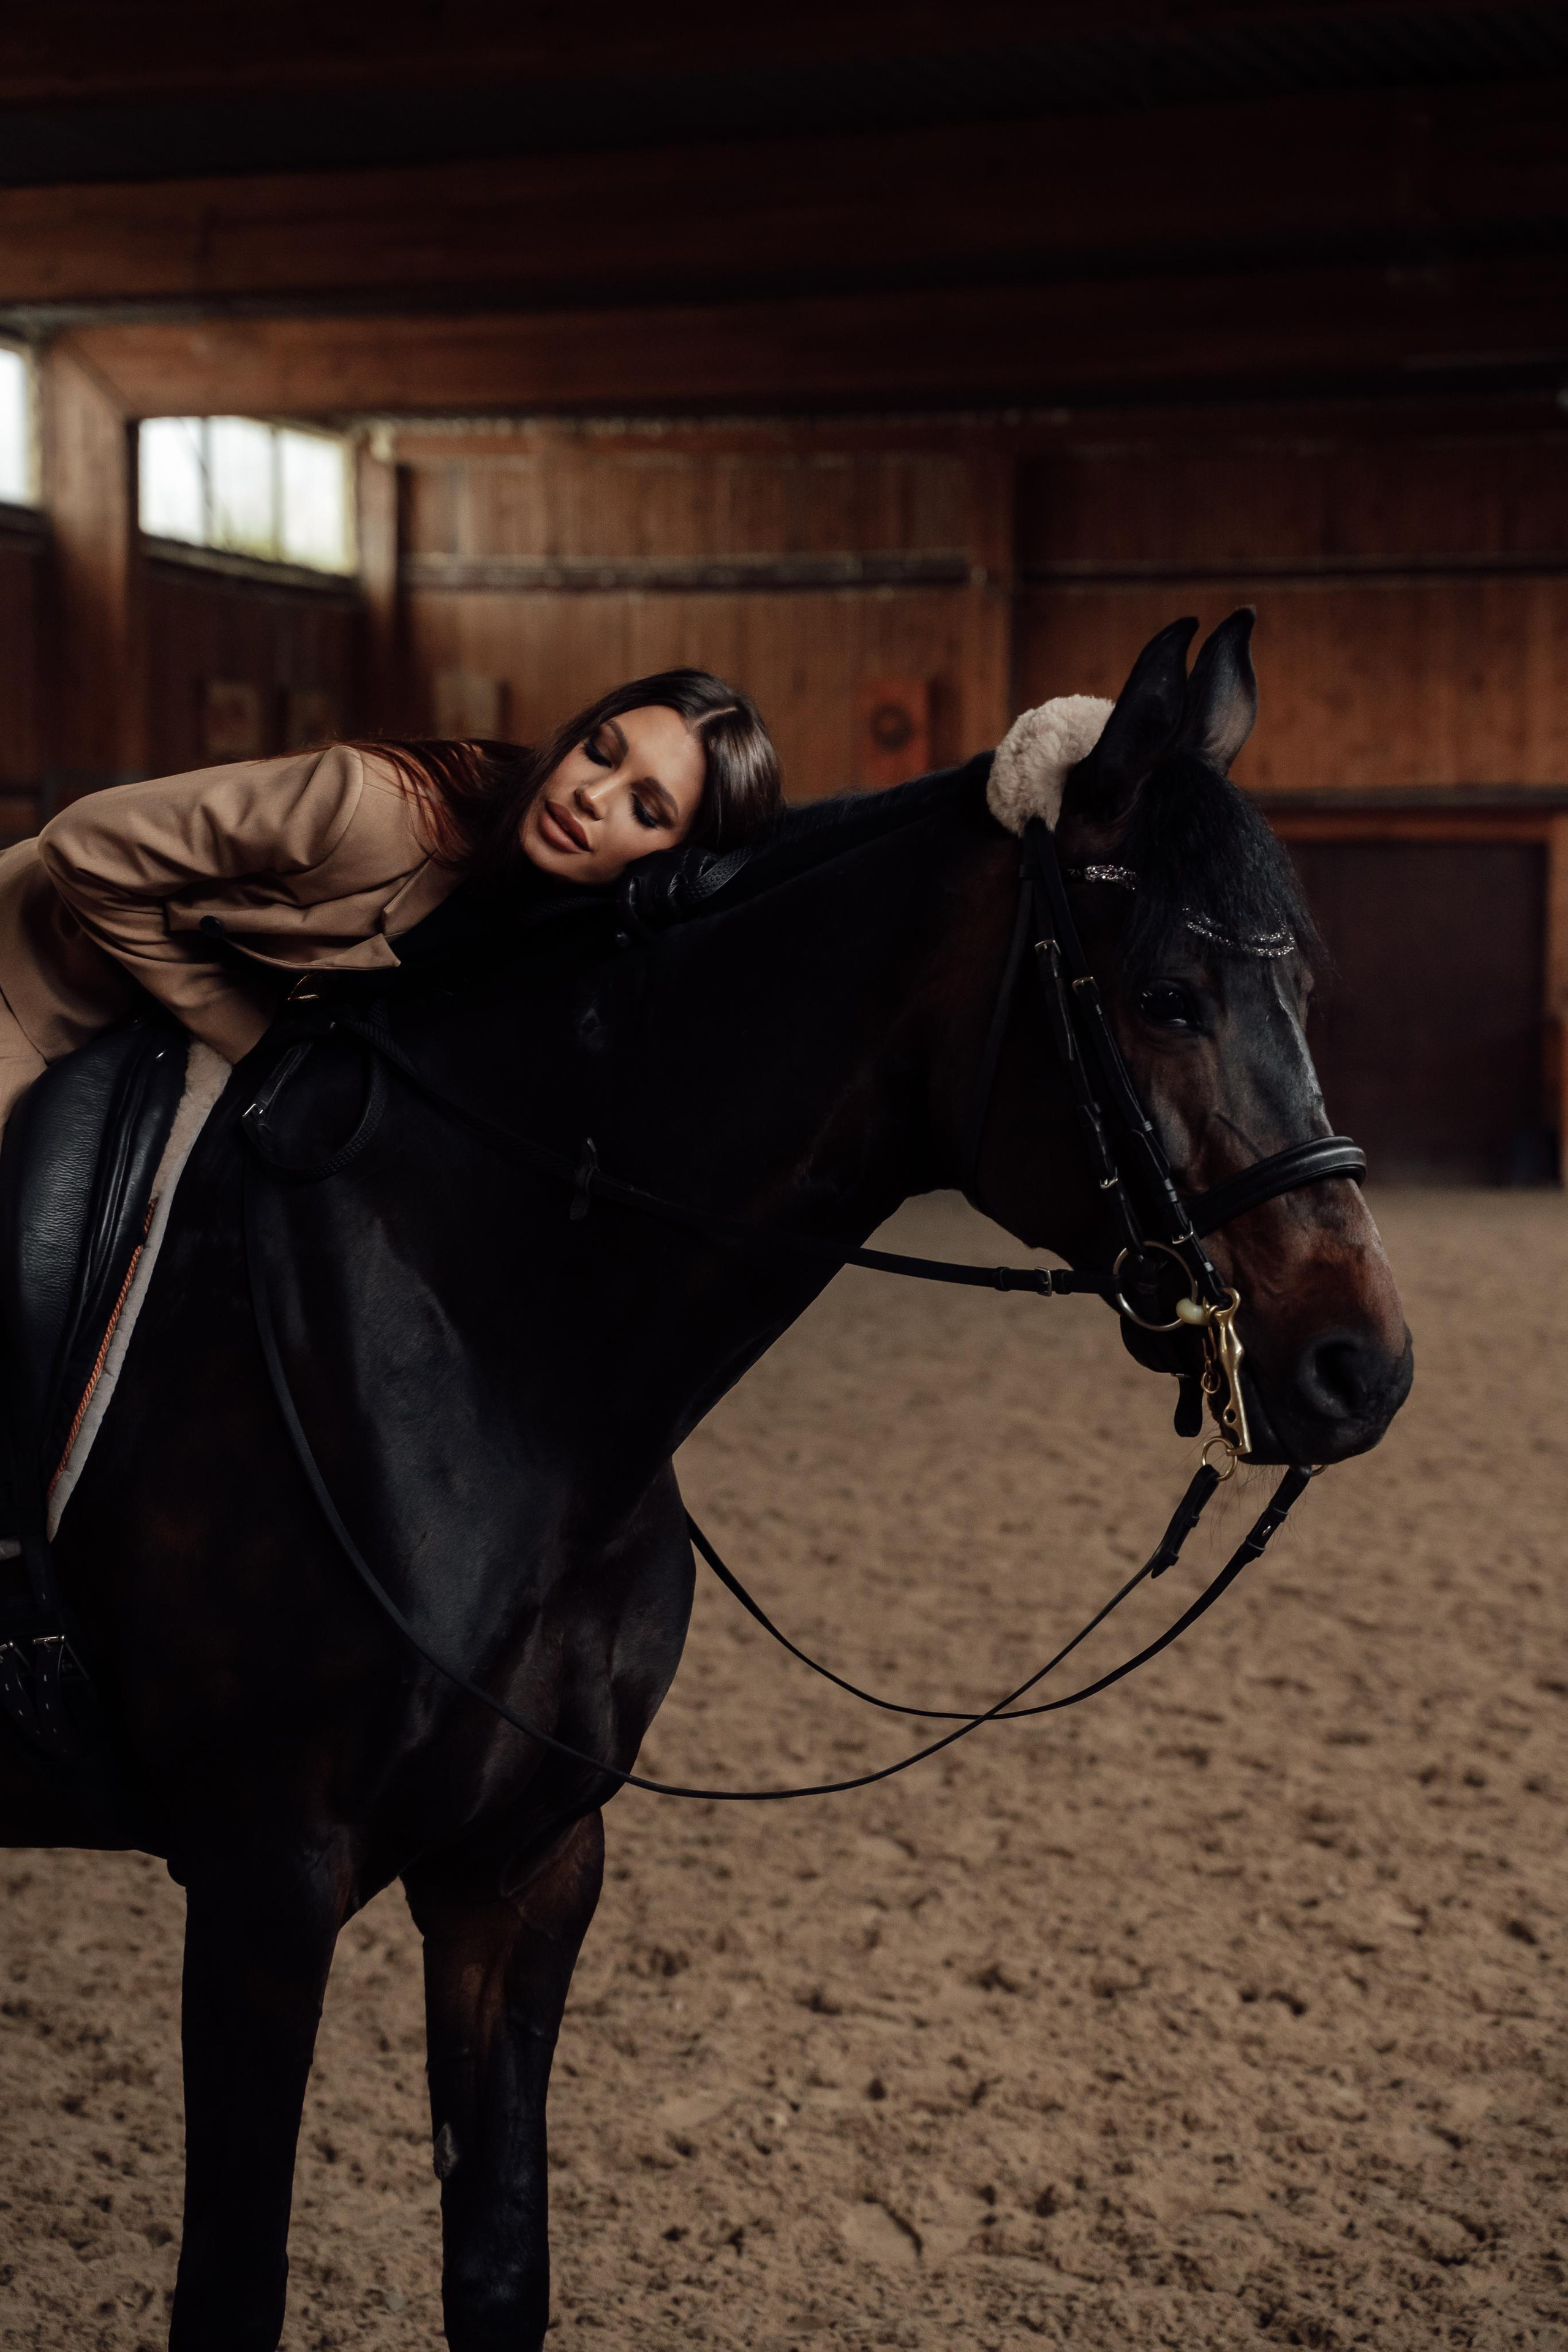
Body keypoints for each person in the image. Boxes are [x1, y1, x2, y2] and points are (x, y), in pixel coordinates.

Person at [0, 668, 783, 1142]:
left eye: (645, 810)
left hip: (147, 1039)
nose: (591, 795)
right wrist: (251, 1030)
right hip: (34, 976)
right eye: (599, 752)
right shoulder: (371, 807)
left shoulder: (560, 918)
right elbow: (82, 839)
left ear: (680, 859)